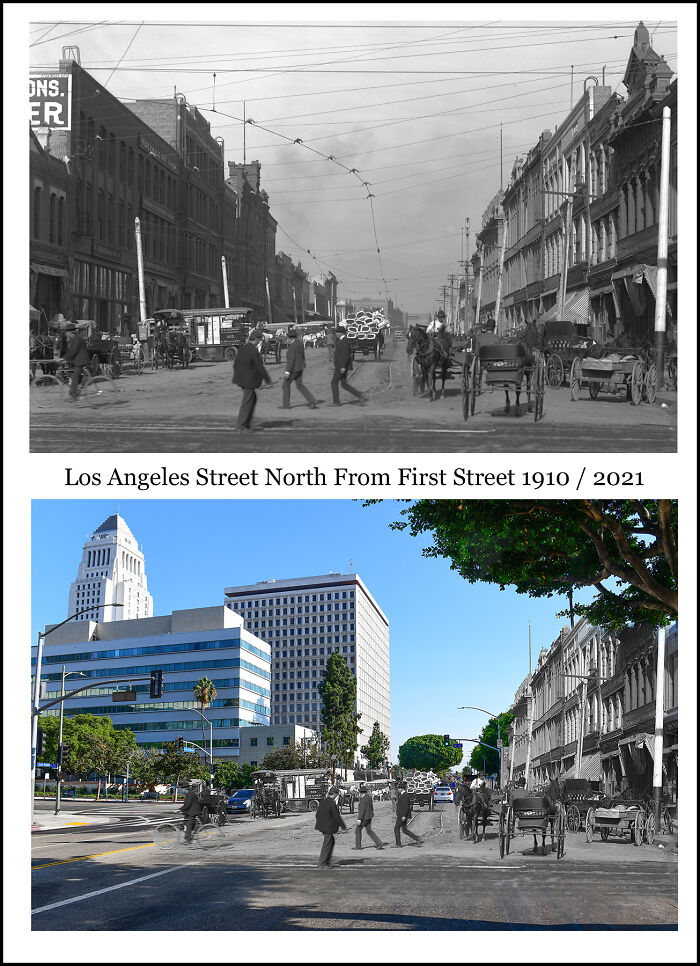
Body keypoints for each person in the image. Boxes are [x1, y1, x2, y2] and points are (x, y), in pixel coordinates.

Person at [232, 329, 272, 431]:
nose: (260, 342)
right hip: (248, 381)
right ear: (256, 339)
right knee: (247, 402)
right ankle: (241, 426)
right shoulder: (253, 350)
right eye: (259, 340)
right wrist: (268, 380)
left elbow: (235, 365)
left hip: (241, 379)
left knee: (252, 399)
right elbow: (260, 367)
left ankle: (246, 424)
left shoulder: (242, 349)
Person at [281, 327, 318, 410]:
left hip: (293, 369)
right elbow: (302, 356)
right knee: (300, 385)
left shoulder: (292, 347)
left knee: (285, 385)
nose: (287, 339)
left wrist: (287, 371)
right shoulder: (300, 344)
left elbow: (291, 360)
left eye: (288, 337)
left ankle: (286, 405)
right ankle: (312, 401)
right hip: (300, 367)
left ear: (290, 338)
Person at [331, 327, 366, 406]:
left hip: (341, 367)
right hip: (340, 366)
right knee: (344, 384)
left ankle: (336, 402)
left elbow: (346, 355)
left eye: (337, 332)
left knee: (334, 383)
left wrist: (343, 366)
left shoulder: (344, 342)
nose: (336, 334)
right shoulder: (341, 341)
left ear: (341, 333)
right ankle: (359, 395)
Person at [315, 787, 347, 869]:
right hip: (327, 827)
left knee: (331, 842)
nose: (337, 796)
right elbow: (337, 816)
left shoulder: (323, 801)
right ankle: (322, 864)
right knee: (327, 844)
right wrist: (343, 827)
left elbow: (317, 814)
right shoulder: (331, 803)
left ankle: (326, 862)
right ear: (335, 794)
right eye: (337, 794)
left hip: (323, 826)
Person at [62, 322, 92, 401]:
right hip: (79, 359)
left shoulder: (77, 338)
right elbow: (73, 351)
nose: (66, 334)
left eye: (66, 332)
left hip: (81, 360)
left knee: (75, 377)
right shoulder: (75, 338)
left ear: (70, 332)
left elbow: (73, 351)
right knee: (74, 376)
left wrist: (64, 359)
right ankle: (73, 393)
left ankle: (73, 396)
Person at [353, 784, 384, 851]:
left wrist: (359, 819)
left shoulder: (363, 799)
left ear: (361, 792)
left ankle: (358, 846)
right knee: (369, 831)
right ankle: (379, 843)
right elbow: (371, 807)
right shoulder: (369, 797)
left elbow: (362, 810)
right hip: (369, 816)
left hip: (364, 818)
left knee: (357, 830)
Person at [393, 783, 423, 848]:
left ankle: (398, 844)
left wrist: (403, 815)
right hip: (401, 815)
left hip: (402, 815)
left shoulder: (405, 795)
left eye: (398, 788)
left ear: (401, 789)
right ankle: (417, 838)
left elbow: (406, 807)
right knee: (404, 830)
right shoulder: (402, 795)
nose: (398, 790)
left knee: (396, 828)